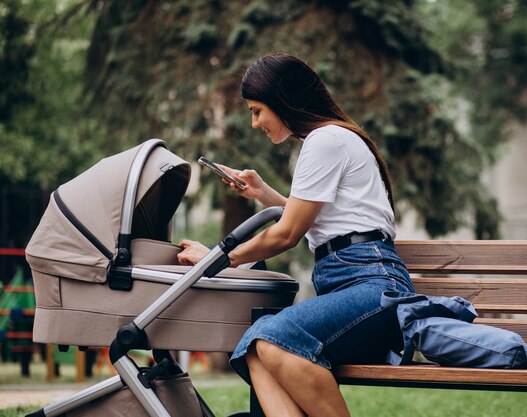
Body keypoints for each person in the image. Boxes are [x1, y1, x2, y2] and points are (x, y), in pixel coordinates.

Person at [177, 52, 415, 417]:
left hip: (374, 290)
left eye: (257, 110)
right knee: (257, 346)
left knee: (272, 337)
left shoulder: (326, 140)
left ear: (283, 100)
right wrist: (264, 195)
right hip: (359, 288)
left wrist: (216, 260)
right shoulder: (330, 140)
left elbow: (286, 234)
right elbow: (323, 221)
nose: (255, 122)